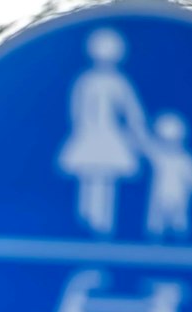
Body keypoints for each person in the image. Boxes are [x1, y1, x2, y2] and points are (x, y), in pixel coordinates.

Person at [58, 28, 151, 236]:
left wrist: (138, 134)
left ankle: (103, 225)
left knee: (107, 179)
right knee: (90, 176)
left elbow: (132, 111)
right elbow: (77, 110)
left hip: (109, 136)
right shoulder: (86, 80)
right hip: (91, 134)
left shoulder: (118, 82)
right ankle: (86, 222)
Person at [142, 112, 192, 238]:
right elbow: (145, 145)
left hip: (180, 196)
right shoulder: (158, 157)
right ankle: (155, 239)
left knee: (179, 219)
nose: (169, 144)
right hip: (160, 196)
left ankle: (179, 239)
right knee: (157, 221)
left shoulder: (185, 159)